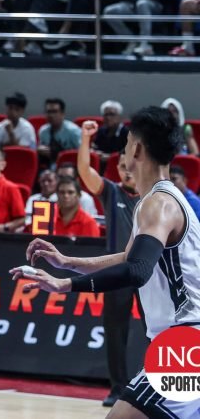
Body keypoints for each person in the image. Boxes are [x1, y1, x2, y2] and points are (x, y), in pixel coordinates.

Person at [12, 105, 200, 418]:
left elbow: (137, 271)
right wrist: (67, 261)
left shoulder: (159, 204)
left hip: (185, 343)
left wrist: (66, 285)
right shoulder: (155, 201)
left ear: (136, 149)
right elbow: (128, 257)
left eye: (126, 143)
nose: (123, 152)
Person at [78, 120, 140, 407]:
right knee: (115, 332)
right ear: (117, 171)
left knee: (158, 329)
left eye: (131, 166)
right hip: (118, 272)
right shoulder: (112, 192)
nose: (127, 171)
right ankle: (119, 388)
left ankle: (162, 384)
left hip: (150, 270)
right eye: (122, 167)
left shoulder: (153, 197)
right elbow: (84, 172)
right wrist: (85, 139)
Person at [38, 98, 81, 164]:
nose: (51, 115)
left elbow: (83, 154)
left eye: (54, 112)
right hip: (51, 164)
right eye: (48, 112)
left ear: (62, 114)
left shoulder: (73, 131)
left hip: (71, 165)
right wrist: (40, 150)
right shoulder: (43, 131)